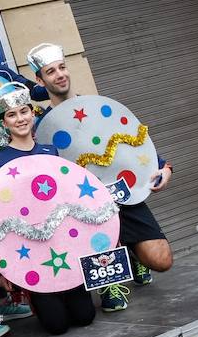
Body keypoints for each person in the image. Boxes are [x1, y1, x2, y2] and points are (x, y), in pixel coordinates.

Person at [29, 43, 174, 312]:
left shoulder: (98, 107)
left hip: (124, 197)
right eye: (51, 71)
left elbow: (131, 142)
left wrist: (164, 168)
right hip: (85, 211)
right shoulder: (42, 126)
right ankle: (110, 284)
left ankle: (132, 252)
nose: (59, 75)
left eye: (62, 67)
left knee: (162, 260)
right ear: (40, 79)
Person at [0, 85, 95, 335]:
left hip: (62, 242)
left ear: (32, 113)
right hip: (29, 251)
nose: (20, 119)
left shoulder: (50, 151)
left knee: (85, 317)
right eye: (12, 115)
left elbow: (66, 195)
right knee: (57, 326)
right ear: (4, 123)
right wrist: (4, 266)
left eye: (24, 111)